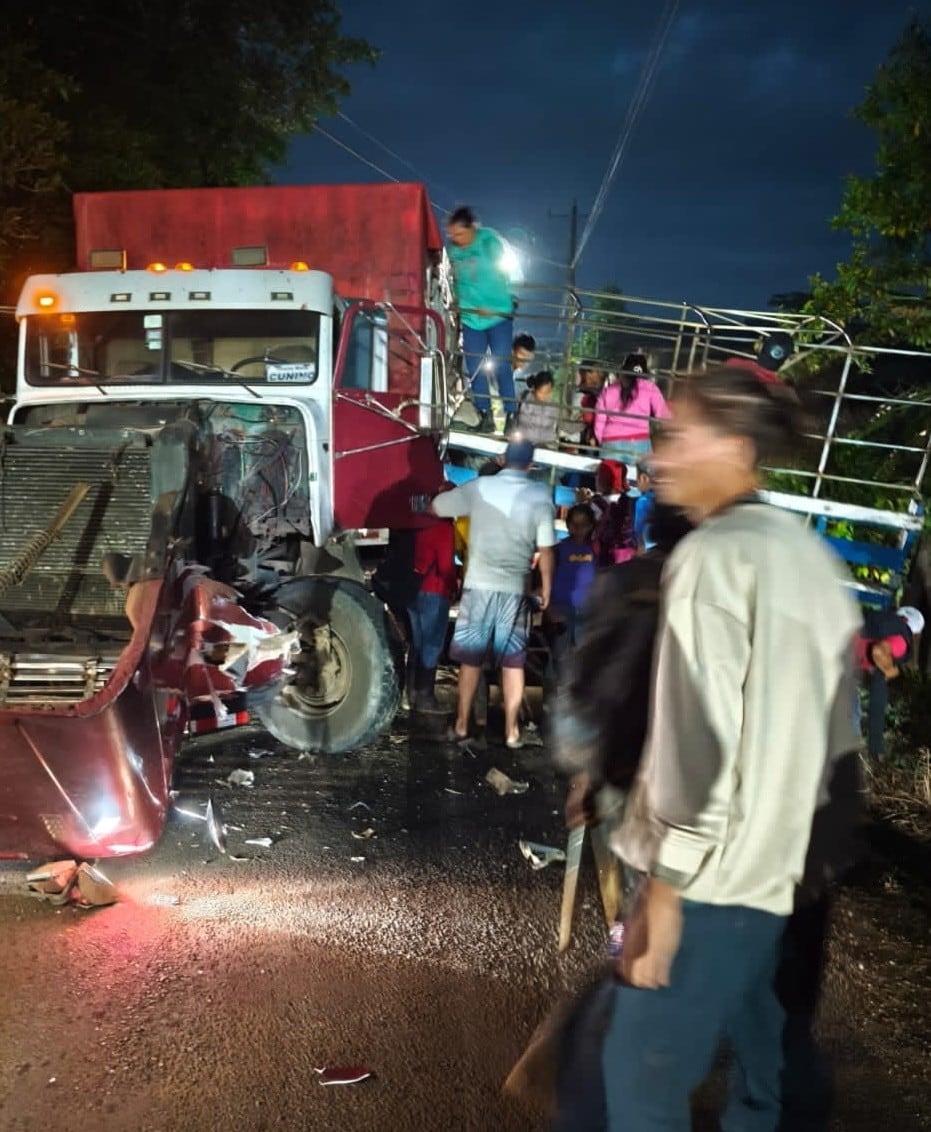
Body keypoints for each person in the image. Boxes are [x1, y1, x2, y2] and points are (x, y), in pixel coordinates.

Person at [599, 366, 863, 1131]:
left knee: (641, 1076)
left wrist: (664, 895)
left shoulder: (711, 559)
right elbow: (833, 730)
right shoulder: (807, 554)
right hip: (778, 876)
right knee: (765, 1078)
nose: (660, 457)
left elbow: (698, 743)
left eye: (678, 437)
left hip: (714, 877)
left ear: (735, 447)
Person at [431, 436, 555, 749]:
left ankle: (461, 725)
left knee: (470, 660)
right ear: (530, 464)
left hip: (479, 587)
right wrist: (547, 588)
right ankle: (512, 731)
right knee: (513, 663)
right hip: (515, 589)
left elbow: (437, 508)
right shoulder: (539, 495)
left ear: (502, 459)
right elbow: (547, 550)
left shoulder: (480, 487)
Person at [446, 205, 517, 433]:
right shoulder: (453, 252)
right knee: (475, 366)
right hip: (471, 318)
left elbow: (500, 276)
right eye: (452, 235)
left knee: (502, 366)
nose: (456, 239)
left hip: (497, 315)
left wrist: (494, 305)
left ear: (471, 228)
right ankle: (484, 413)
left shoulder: (489, 241)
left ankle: (511, 414)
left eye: (459, 234)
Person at [856, 604, 925, 758]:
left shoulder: (878, 618)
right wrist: (890, 670)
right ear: (915, 634)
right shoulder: (901, 639)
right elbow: (879, 652)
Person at [406, 519, 459, 713]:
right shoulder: (444, 527)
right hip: (435, 590)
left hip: (414, 588)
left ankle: (410, 694)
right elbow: (445, 566)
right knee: (432, 644)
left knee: (417, 642)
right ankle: (425, 697)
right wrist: (454, 587)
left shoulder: (418, 524)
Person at [544, 503, 597, 681]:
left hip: (587, 612)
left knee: (582, 661)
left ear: (591, 526)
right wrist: (549, 606)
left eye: (583, 525)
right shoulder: (558, 550)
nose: (579, 529)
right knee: (559, 659)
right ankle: (553, 700)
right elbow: (547, 578)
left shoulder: (596, 550)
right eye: (574, 524)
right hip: (561, 611)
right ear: (567, 525)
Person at [593, 351, 670, 463]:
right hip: (639, 444)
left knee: (612, 478)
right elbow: (663, 415)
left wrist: (603, 441)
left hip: (610, 444)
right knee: (641, 479)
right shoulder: (650, 388)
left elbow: (599, 420)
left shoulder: (609, 391)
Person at [582, 459, 636, 567]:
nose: (596, 479)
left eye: (598, 475)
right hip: (627, 556)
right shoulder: (630, 502)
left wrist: (582, 503)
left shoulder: (595, 504)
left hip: (603, 556)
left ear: (605, 479)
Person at [514, 370, 560, 449]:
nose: (545, 396)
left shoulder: (554, 405)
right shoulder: (523, 399)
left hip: (546, 447)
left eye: (548, 392)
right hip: (523, 445)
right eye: (542, 392)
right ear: (535, 389)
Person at [632, 461, 656, 551]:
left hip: (650, 552)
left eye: (636, 477)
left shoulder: (643, 502)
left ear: (644, 478)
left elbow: (639, 533)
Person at [511, 332, 537, 401]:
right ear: (513, 351)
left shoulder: (520, 376)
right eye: (522, 354)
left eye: (528, 356)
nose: (524, 360)